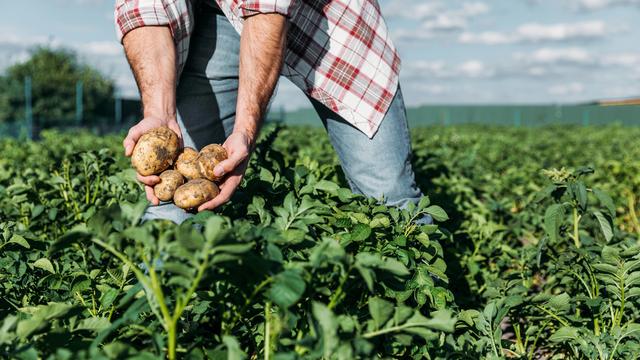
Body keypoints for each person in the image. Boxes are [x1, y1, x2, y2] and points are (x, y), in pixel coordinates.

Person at [116, 0, 428, 224]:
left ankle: (418, 314)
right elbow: (143, 9)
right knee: (171, 203)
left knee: (389, 197)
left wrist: (244, 131)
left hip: (325, 17)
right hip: (214, 14)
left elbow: (266, 11)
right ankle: (168, 308)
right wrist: (159, 112)